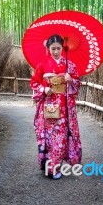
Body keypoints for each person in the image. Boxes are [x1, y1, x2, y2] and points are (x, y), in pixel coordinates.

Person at [30, 34, 82, 180]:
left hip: (64, 107)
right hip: (48, 105)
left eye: (58, 48)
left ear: (62, 48)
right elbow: (34, 82)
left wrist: (70, 79)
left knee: (60, 137)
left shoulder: (69, 65)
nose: (56, 51)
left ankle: (53, 168)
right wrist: (44, 89)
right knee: (49, 137)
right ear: (48, 48)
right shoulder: (42, 65)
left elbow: (77, 84)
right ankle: (48, 165)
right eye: (53, 49)